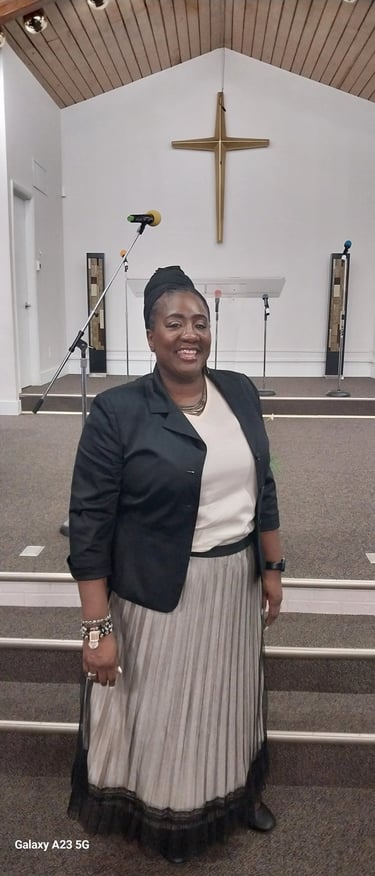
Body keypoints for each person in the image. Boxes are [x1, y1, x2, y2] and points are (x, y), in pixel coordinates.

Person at [67, 265, 284, 864]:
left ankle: (234, 793)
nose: (190, 334)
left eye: (200, 322)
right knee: (169, 709)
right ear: (151, 334)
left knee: (229, 699)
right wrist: (96, 627)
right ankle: (173, 817)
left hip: (233, 584)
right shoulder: (117, 412)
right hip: (161, 590)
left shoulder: (239, 391)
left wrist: (272, 566)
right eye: (174, 323)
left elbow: (262, 483)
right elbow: (89, 525)